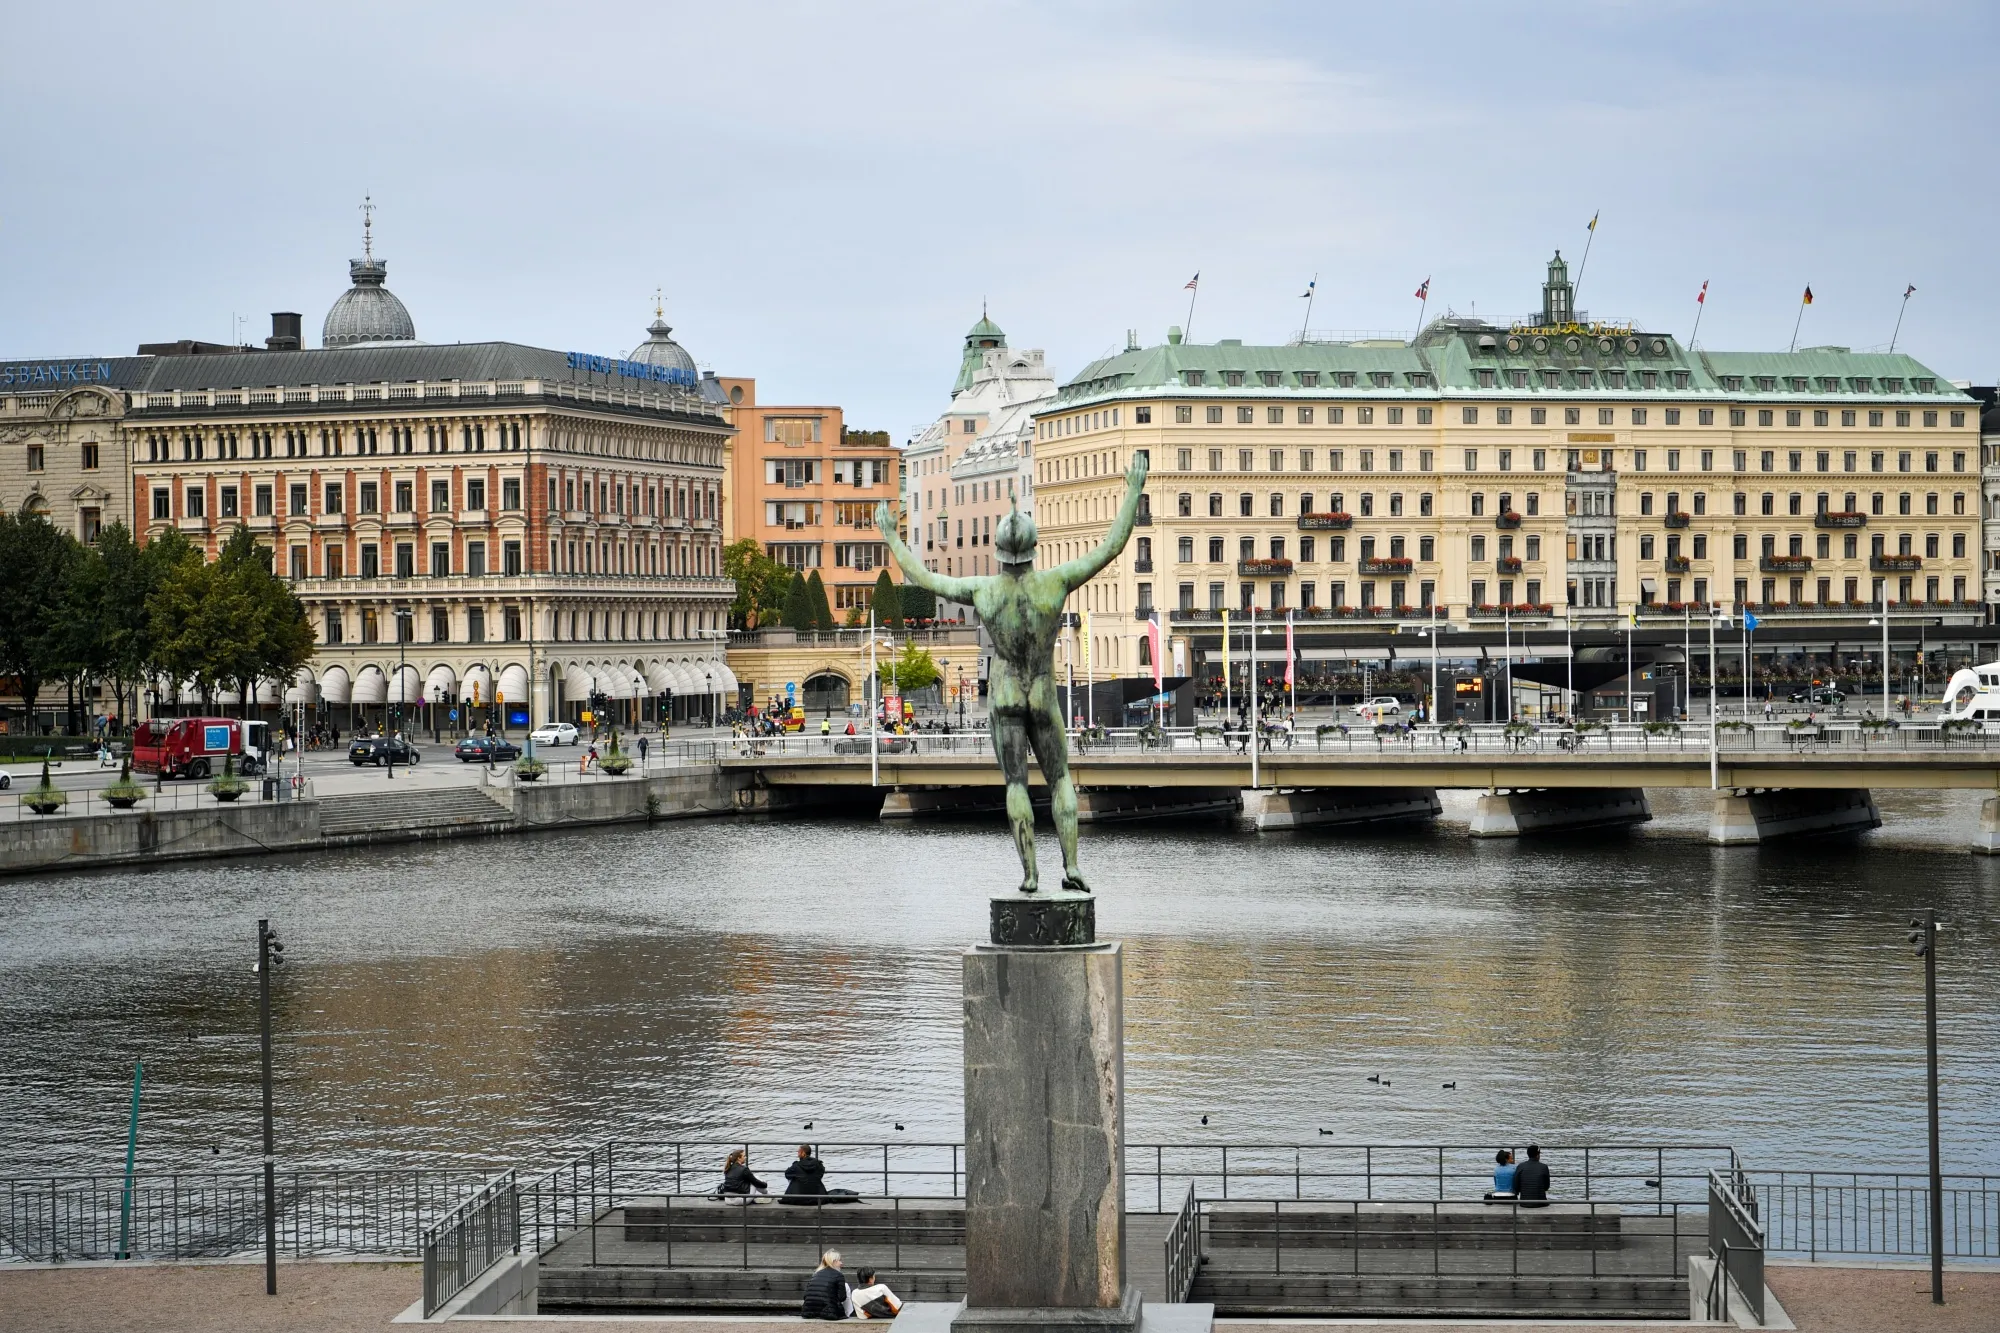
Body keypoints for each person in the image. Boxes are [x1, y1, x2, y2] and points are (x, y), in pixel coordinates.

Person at [800, 1249, 852, 1319]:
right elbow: (842, 1298)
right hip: (830, 1312)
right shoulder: (839, 1275)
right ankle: (848, 1313)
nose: (841, 1263)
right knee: (846, 1287)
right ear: (833, 1261)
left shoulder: (815, 1274)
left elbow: (806, 1296)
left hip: (808, 1311)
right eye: (839, 1260)